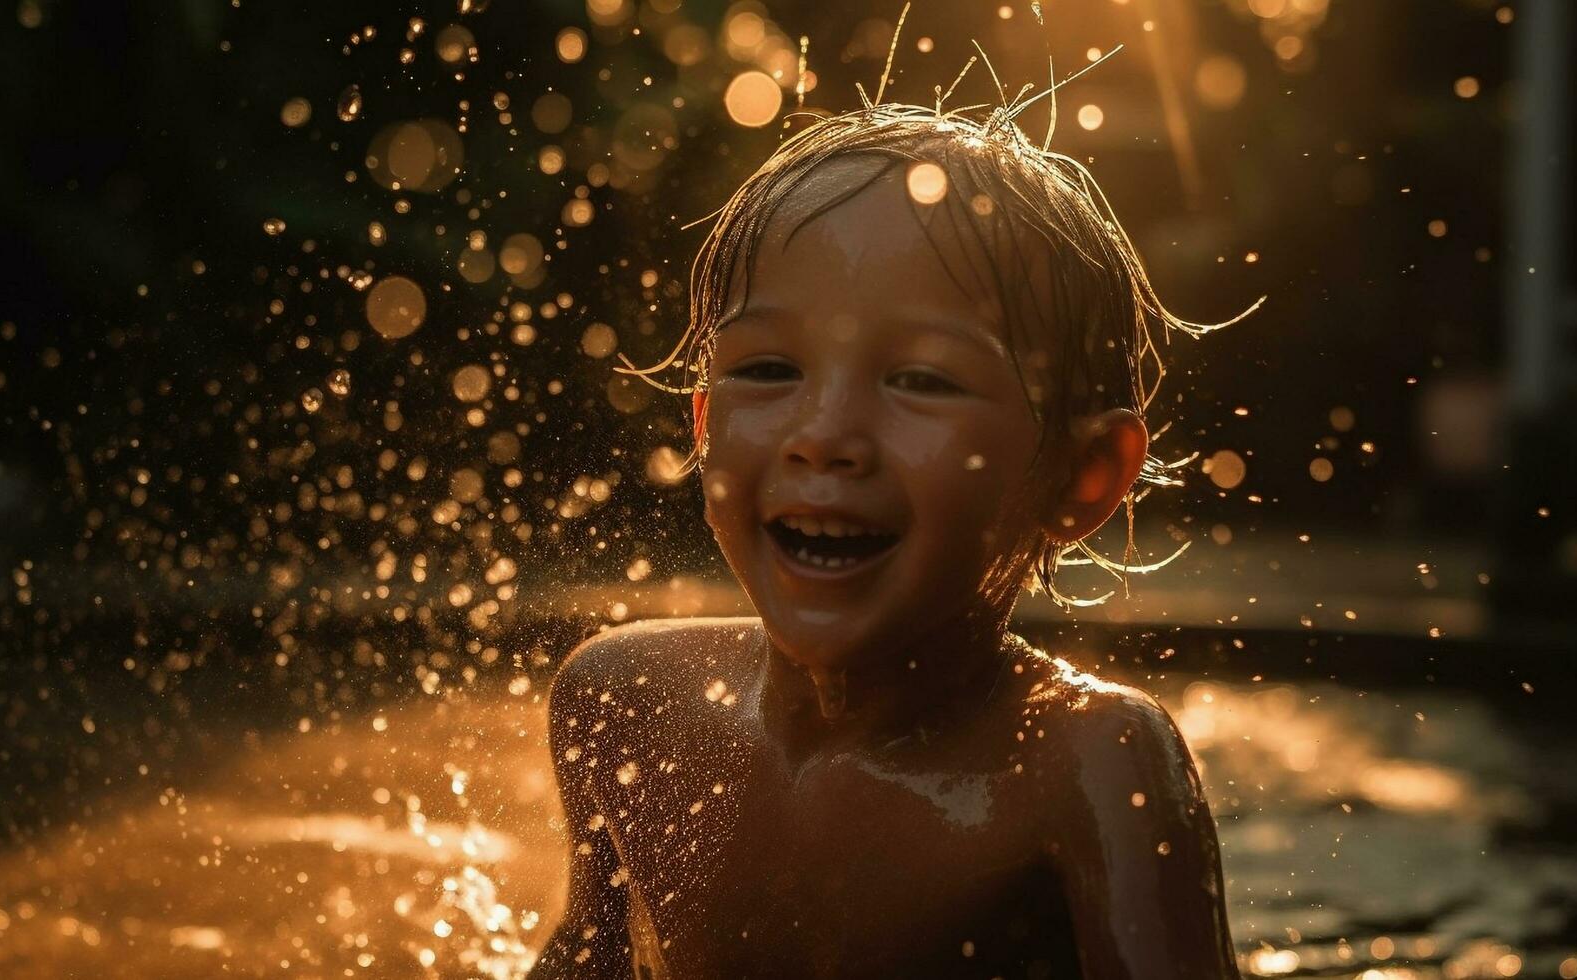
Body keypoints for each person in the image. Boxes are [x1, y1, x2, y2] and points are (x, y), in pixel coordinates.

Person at [530, 101, 1249, 979]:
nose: (823, 433)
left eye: (920, 379)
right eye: (767, 369)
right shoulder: (625, 704)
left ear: (1082, 475)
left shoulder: (1084, 771)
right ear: (706, 424)